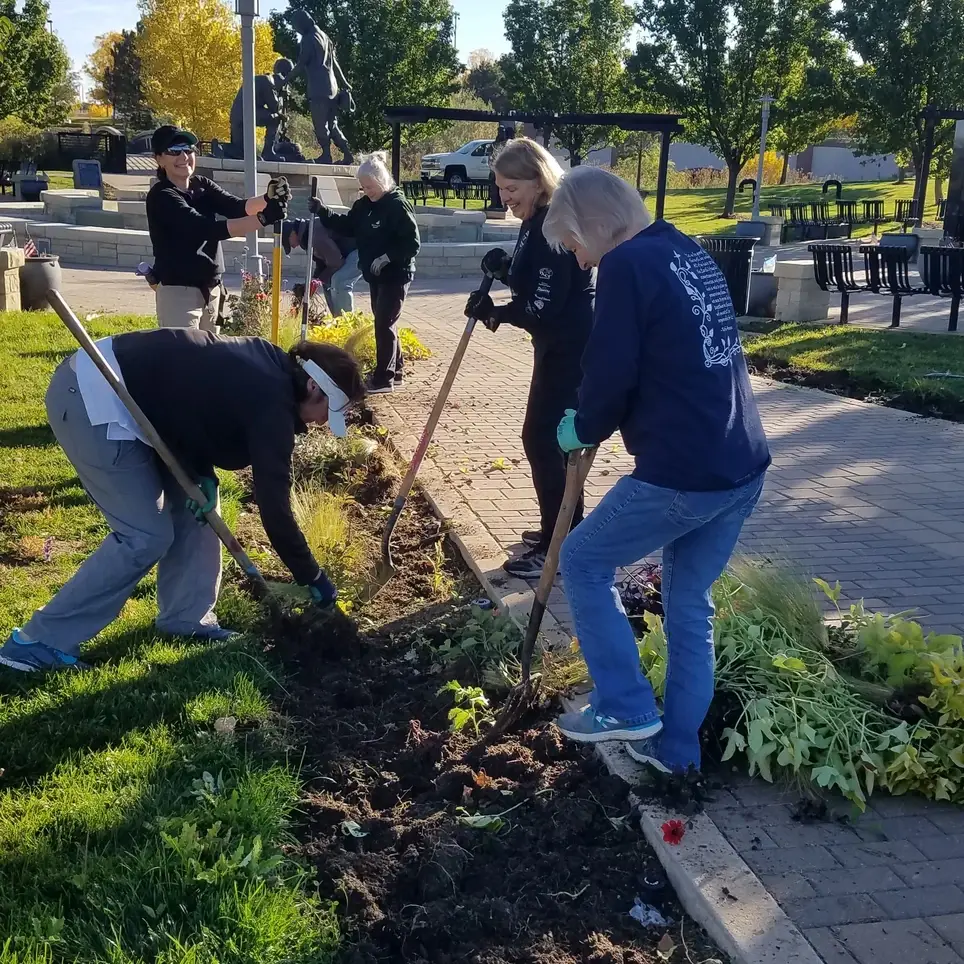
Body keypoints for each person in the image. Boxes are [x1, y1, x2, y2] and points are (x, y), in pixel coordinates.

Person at [543, 167, 771, 775]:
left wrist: (583, 426)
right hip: (740, 463)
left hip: (684, 471)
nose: (580, 260)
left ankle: (624, 705)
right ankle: (677, 750)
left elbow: (613, 368)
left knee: (584, 559)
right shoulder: (684, 249)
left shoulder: (625, 265)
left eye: (573, 244)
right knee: (689, 600)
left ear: (593, 226)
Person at [0, 330, 364, 673]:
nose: (321, 424)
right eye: (327, 412)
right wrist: (311, 575)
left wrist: (199, 473)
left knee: (201, 511)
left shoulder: (271, 373)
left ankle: (186, 620)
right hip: (95, 394)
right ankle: (37, 641)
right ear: (314, 386)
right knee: (145, 536)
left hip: (146, 406)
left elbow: (192, 406)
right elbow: (275, 509)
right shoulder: (271, 400)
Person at [464, 138, 595, 580]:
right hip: (556, 345)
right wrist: (502, 272)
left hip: (570, 348)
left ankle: (558, 545)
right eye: (500, 188)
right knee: (556, 440)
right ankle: (562, 531)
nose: (505, 197)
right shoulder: (534, 220)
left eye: (512, 187)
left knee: (544, 439)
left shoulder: (554, 226)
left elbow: (544, 303)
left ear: (538, 181)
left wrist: (498, 314)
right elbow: (529, 276)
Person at [146, 125, 291, 331]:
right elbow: (206, 229)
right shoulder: (162, 196)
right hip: (178, 292)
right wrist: (263, 218)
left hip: (211, 289)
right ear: (159, 159)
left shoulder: (201, 184)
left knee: (211, 358)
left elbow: (236, 207)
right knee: (183, 358)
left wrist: (268, 198)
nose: (183, 156)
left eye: (188, 149)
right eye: (174, 151)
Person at [310, 153, 420, 393]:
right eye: (363, 187)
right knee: (385, 323)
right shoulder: (364, 206)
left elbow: (412, 243)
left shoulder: (397, 205)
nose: (367, 191)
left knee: (384, 323)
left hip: (396, 274)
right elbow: (348, 225)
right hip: (375, 275)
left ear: (381, 180)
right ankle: (396, 370)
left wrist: (386, 257)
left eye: (370, 186)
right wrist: (323, 211)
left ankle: (384, 379)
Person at [287, 9, 354, 165]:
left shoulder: (308, 39)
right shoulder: (325, 36)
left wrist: (285, 80)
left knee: (320, 123)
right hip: (333, 88)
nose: (296, 30)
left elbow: (301, 64)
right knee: (333, 124)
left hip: (319, 89)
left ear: (302, 23)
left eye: (296, 26)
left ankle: (326, 155)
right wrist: (344, 82)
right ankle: (347, 154)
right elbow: (335, 63)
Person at [283, 216, 362, 316]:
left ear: (292, 233)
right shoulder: (308, 235)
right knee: (327, 282)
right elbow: (323, 264)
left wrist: (318, 280)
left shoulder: (315, 235)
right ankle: (337, 319)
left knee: (340, 281)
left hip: (362, 248)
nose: (293, 247)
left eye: (288, 243)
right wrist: (314, 281)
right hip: (347, 252)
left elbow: (336, 262)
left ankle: (347, 323)